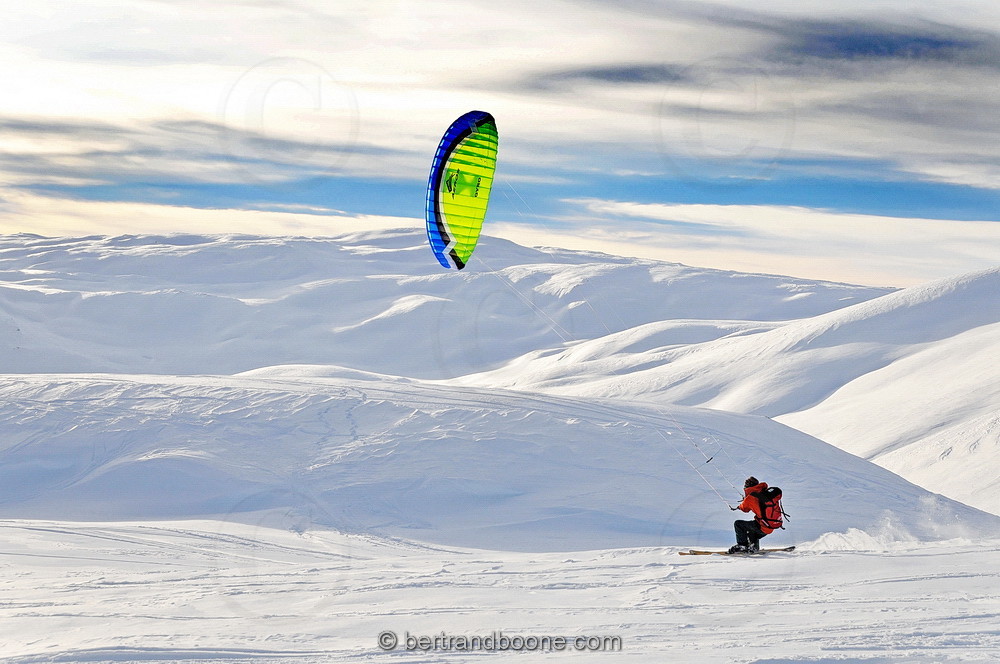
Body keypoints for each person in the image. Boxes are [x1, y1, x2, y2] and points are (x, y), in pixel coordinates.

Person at [728, 476, 776, 554]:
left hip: (763, 526)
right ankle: (754, 547)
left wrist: (739, 506)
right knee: (753, 529)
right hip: (771, 525)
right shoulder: (765, 492)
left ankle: (742, 546)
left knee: (738, 524)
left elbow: (745, 509)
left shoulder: (750, 497)